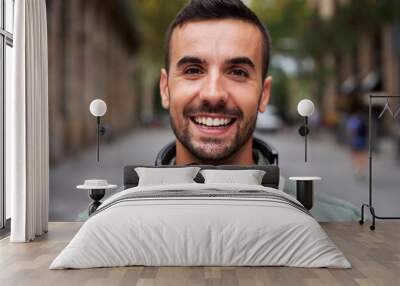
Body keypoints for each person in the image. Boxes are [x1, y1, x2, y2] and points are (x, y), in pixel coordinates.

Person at [157, 0, 360, 221]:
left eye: (237, 72)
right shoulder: (113, 224)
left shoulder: (341, 223)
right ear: (165, 89)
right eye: (193, 70)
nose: (214, 94)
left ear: (264, 94)